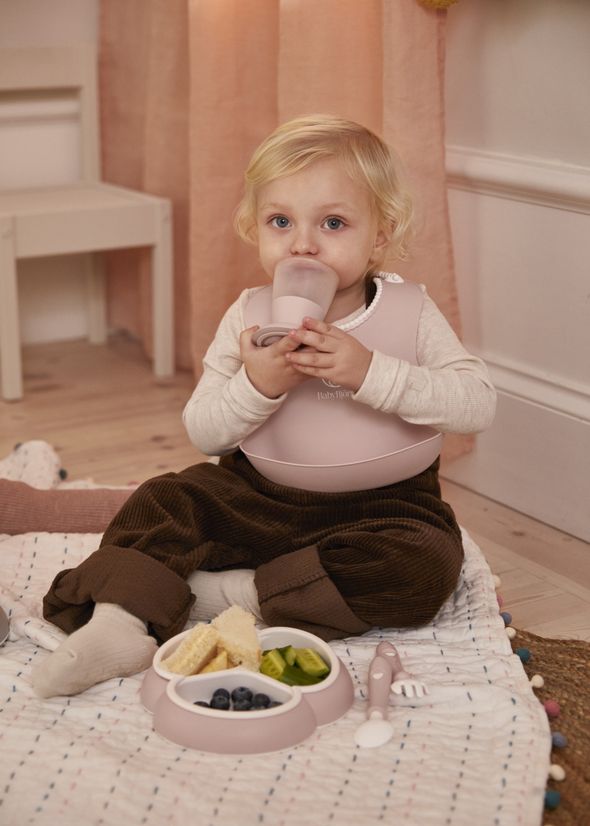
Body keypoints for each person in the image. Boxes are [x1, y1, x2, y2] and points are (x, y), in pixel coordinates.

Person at [32, 114, 496, 699]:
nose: (303, 243)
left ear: (380, 236)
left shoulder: (409, 310)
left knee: (424, 565)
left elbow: (476, 405)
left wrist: (370, 371)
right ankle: (118, 624)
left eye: (333, 223)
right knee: (164, 499)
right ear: (256, 230)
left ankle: (225, 596)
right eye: (281, 221)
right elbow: (206, 432)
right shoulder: (248, 314)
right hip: (258, 497)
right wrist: (257, 385)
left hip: (386, 505)